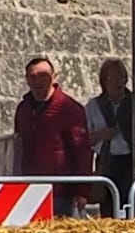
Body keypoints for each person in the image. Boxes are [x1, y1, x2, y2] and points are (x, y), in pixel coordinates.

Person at [13, 55, 90, 216]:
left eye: (43, 76)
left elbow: (82, 152)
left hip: (61, 193)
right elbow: (18, 147)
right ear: (27, 80)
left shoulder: (70, 109)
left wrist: (82, 190)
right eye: (33, 77)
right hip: (29, 190)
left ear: (54, 77)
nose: (38, 81)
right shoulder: (23, 110)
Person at [85, 57, 135, 205]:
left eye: (122, 76)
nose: (118, 81)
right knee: (107, 203)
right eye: (113, 77)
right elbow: (84, 138)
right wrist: (102, 134)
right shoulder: (94, 106)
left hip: (130, 160)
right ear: (104, 81)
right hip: (106, 161)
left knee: (130, 202)